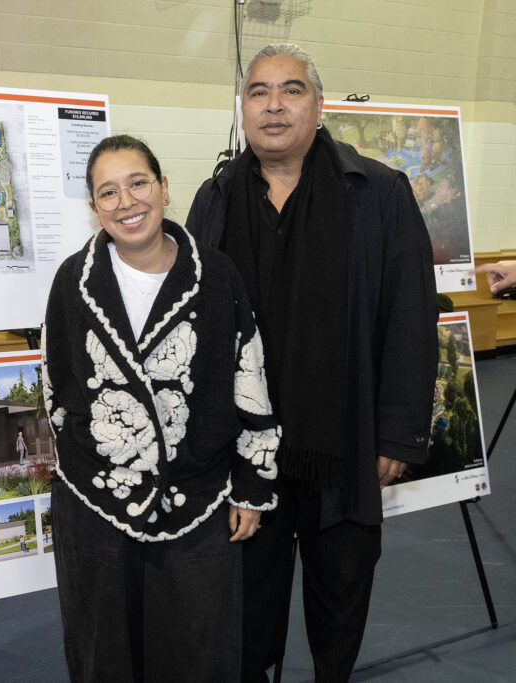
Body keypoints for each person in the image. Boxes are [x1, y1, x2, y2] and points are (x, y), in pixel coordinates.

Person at [186, 44, 438, 682]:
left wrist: (398, 431)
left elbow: (410, 316)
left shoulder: (376, 192)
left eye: (291, 90)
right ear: (243, 108)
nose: (274, 105)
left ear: (319, 105)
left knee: (341, 598)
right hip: (243, 452)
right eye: (259, 91)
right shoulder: (213, 199)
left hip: (343, 441)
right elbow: (192, 326)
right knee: (248, 605)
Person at [43, 134, 281, 681]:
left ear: (164, 187)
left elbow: (251, 380)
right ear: (93, 208)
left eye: (137, 183)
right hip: (96, 503)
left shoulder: (217, 277)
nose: (126, 203)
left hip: (197, 498)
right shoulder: (71, 285)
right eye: (108, 192)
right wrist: (87, 467)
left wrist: (252, 482)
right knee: (105, 652)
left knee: (199, 650)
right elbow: (56, 390)